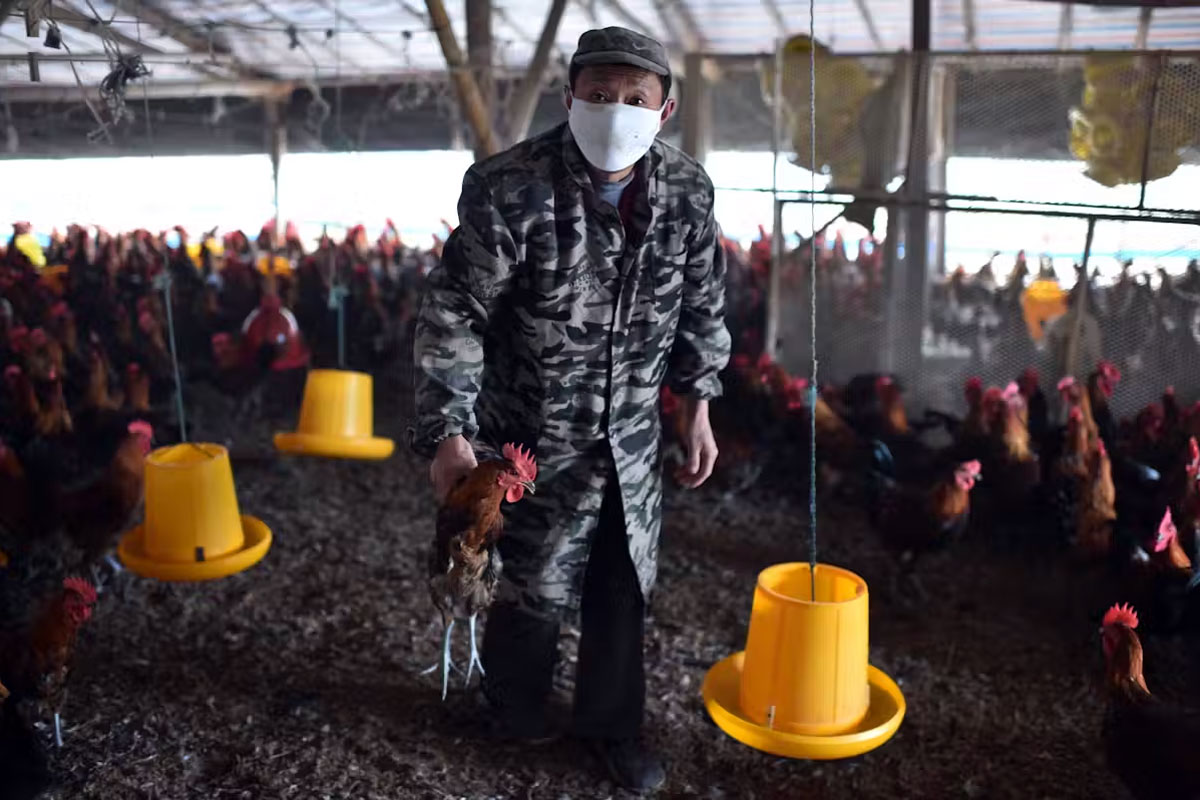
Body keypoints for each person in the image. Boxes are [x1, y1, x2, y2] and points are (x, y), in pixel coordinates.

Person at [411, 27, 730, 791]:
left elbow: (702, 301)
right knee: (528, 579)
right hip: (532, 432)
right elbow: (456, 310)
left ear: (666, 108)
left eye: (633, 98)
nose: (614, 110)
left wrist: (700, 399)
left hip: (630, 436)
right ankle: (513, 711)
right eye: (597, 94)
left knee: (622, 581)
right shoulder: (507, 186)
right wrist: (448, 431)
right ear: (569, 97)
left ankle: (610, 729)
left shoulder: (687, 190)